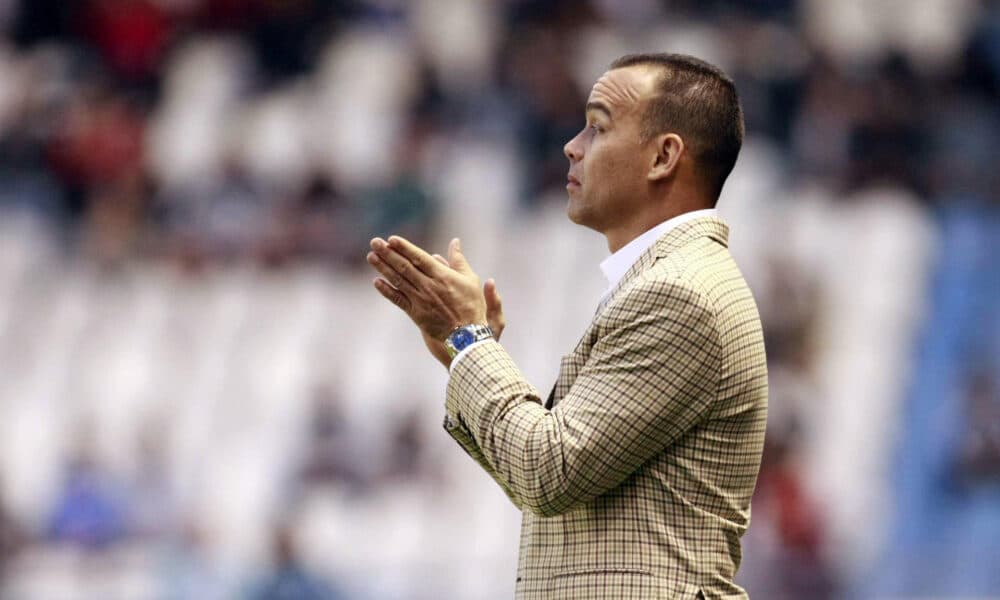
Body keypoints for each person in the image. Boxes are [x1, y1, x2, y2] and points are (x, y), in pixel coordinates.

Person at [366, 53, 767, 599]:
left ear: (663, 156)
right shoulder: (671, 282)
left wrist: (471, 340)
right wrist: (464, 353)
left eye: (598, 127)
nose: (571, 146)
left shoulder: (678, 294)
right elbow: (558, 490)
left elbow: (546, 472)